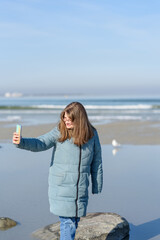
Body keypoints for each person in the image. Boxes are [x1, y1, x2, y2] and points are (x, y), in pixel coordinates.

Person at [12, 102, 103, 240]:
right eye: (64, 118)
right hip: (62, 187)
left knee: (74, 222)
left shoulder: (92, 134)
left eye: (69, 119)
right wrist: (21, 142)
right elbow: (40, 143)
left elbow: (97, 162)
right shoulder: (60, 131)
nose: (66, 121)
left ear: (79, 118)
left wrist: (97, 185)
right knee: (68, 223)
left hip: (80, 189)